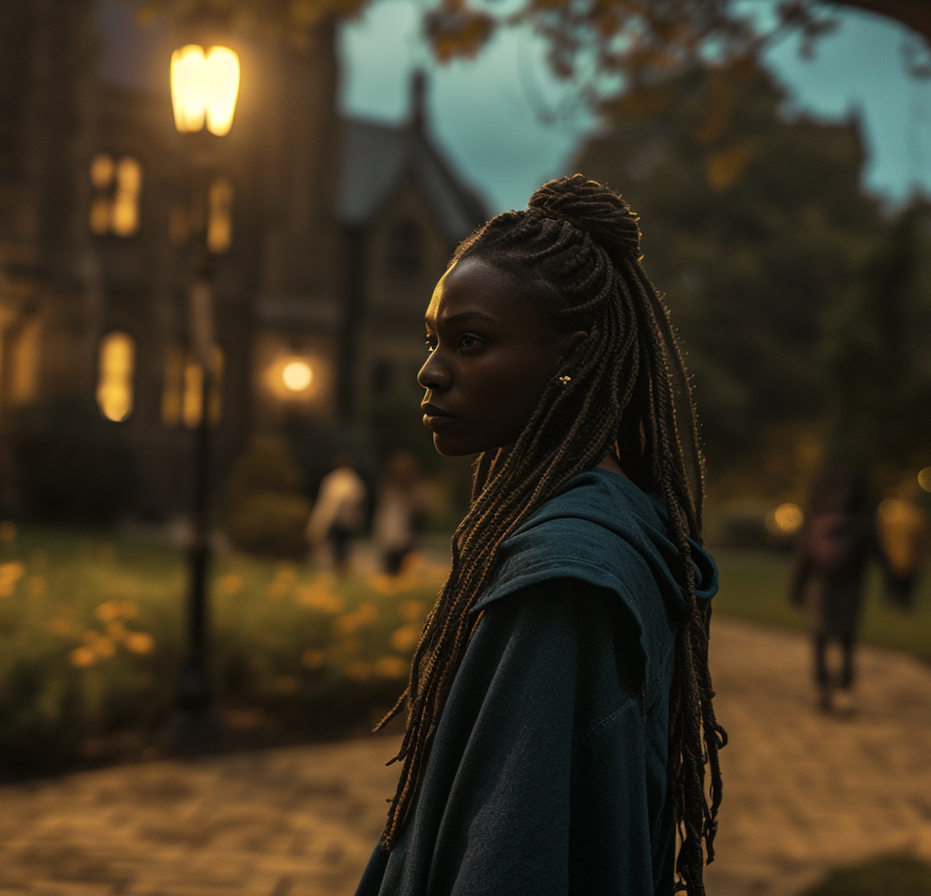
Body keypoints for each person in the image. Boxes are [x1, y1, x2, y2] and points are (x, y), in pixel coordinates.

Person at [354, 175, 723, 896]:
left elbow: (510, 859)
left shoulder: (565, 580)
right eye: (433, 340)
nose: (431, 372)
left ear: (572, 357)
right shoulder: (616, 525)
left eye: (470, 341)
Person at [789, 464, 881, 714]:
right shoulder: (862, 521)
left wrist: (796, 588)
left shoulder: (817, 517)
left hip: (821, 584)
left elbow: (804, 557)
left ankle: (823, 687)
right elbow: (879, 553)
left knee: (820, 635)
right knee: (847, 638)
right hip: (851, 584)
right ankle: (843, 690)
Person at [305, 455, 366, 572]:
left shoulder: (336, 480)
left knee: (339, 546)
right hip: (345, 521)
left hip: (340, 520)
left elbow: (328, 503)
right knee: (341, 546)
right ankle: (341, 566)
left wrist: (320, 522)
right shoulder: (355, 481)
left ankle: (340, 567)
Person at [372, 449, 429, 576]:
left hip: (395, 535)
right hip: (401, 536)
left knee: (393, 571)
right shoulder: (412, 490)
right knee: (401, 573)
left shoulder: (391, 488)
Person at [876, 489, 930, 610]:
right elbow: (922, 537)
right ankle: (902, 603)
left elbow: (881, 534)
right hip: (909, 556)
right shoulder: (916, 516)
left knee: (891, 580)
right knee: (906, 583)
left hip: (890, 554)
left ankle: (890, 601)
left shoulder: (890, 514)